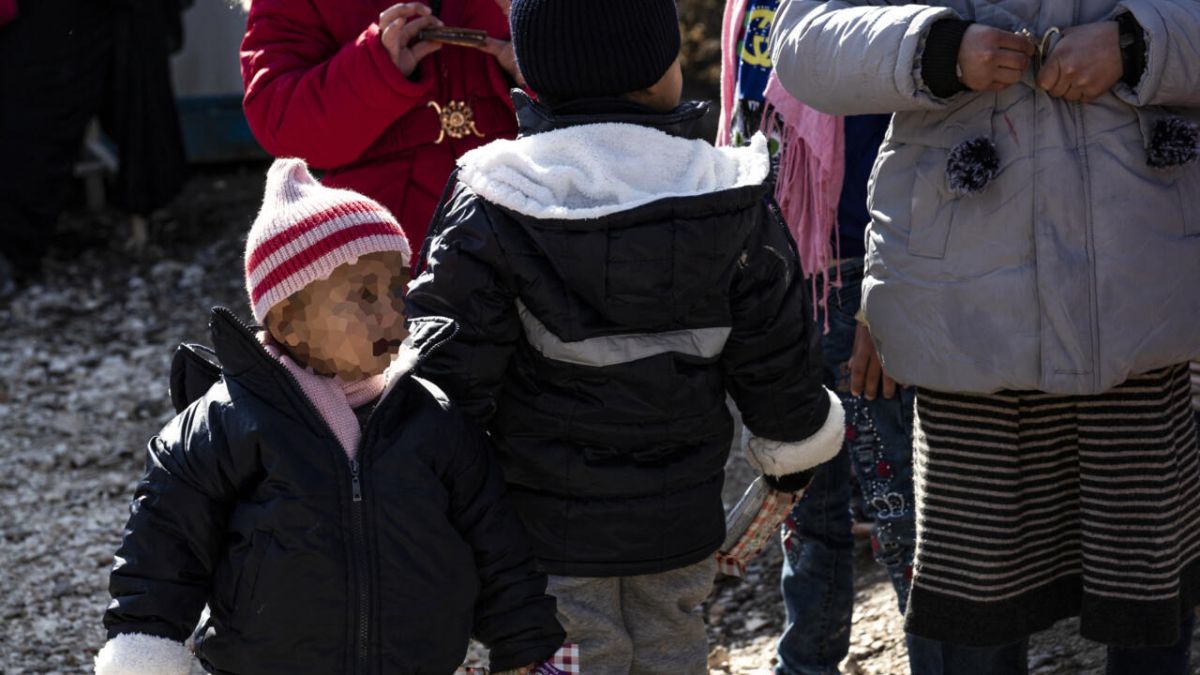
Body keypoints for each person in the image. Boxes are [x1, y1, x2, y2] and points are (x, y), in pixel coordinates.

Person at [404, 1, 847, 671]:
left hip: (545, 527)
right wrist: (797, 440)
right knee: (672, 639)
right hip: (679, 520)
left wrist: (429, 494)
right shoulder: (723, 191)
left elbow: (450, 371)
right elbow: (774, 350)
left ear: (534, 79)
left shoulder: (499, 192)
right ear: (659, 76)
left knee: (568, 648)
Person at [772, 2, 1200, 673]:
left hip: (1138, 298)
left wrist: (1138, 45)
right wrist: (937, 49)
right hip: (967, 312)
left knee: (1149, 611)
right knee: (973, 621)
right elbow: (802, 44)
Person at [93, 158, 564, 675]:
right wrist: (146, 651)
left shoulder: (433, 417)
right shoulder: (224, 426)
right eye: (364, 295)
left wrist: (525, 645)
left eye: (396, 289)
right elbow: (162, 552)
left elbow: (498, 547)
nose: (392, 314)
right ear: (288, 320)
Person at [241, 0, 522, 258]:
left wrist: (539, 69)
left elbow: (564, 58)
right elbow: (283, 123)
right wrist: (375, 69)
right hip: (386, 252)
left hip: (526, 218)